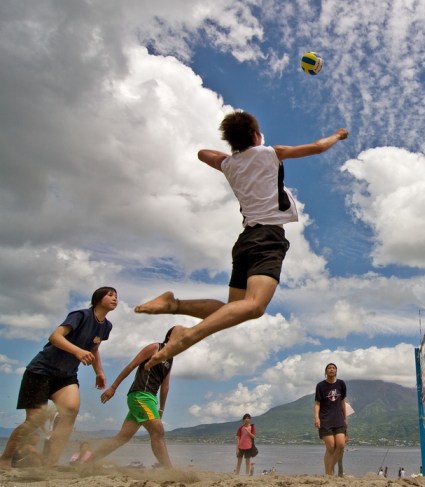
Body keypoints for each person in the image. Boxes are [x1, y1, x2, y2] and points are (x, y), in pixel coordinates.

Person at [133, 112, 349, 369]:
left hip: (246, 240)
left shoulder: (228, 164)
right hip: (267, 237)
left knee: (234, 309)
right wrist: (338, 135)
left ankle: (174, 304)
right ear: (256, 136)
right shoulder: (270, 152)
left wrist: (232, 155)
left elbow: (203, 153)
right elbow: (318, 147)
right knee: (255, 306)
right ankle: (187, 335)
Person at [0, 287, 117, 468]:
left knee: (70, 410)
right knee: (34, 421)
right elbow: (55, 337)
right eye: (110, 295)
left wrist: (99, 372)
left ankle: (51, 462)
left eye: (116, 296)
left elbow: (94, 349)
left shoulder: (106, 326)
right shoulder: (80, 315)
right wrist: (77, 351)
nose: (115, 298)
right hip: (40, 371)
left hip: (66, 376)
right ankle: (6, 458)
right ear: (97, 299)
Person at [87, 328, 175, 468]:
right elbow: (131, 366)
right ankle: (170, 471)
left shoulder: (170, 358)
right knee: (158, 431)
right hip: (140, 396)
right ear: (170, 336)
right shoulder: (155, 347)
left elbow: (165, 386)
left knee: (122, 437)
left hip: (150, 399)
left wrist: (162, 409)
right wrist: (113, 387)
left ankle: (89, 461)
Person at [314, 363, 347, 476]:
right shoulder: (320, 386)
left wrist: (345, 418)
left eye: (334, 368)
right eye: (329, 368)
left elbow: (342, 402)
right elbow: (317, 403)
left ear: (336, 371)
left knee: (341, 445)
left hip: (338, 419)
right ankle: (328, 474)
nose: (331, 370)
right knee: (331, 447)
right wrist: (317, 417)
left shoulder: (341, 384)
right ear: (326, 371)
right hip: (325, 419)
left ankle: (329, 470)